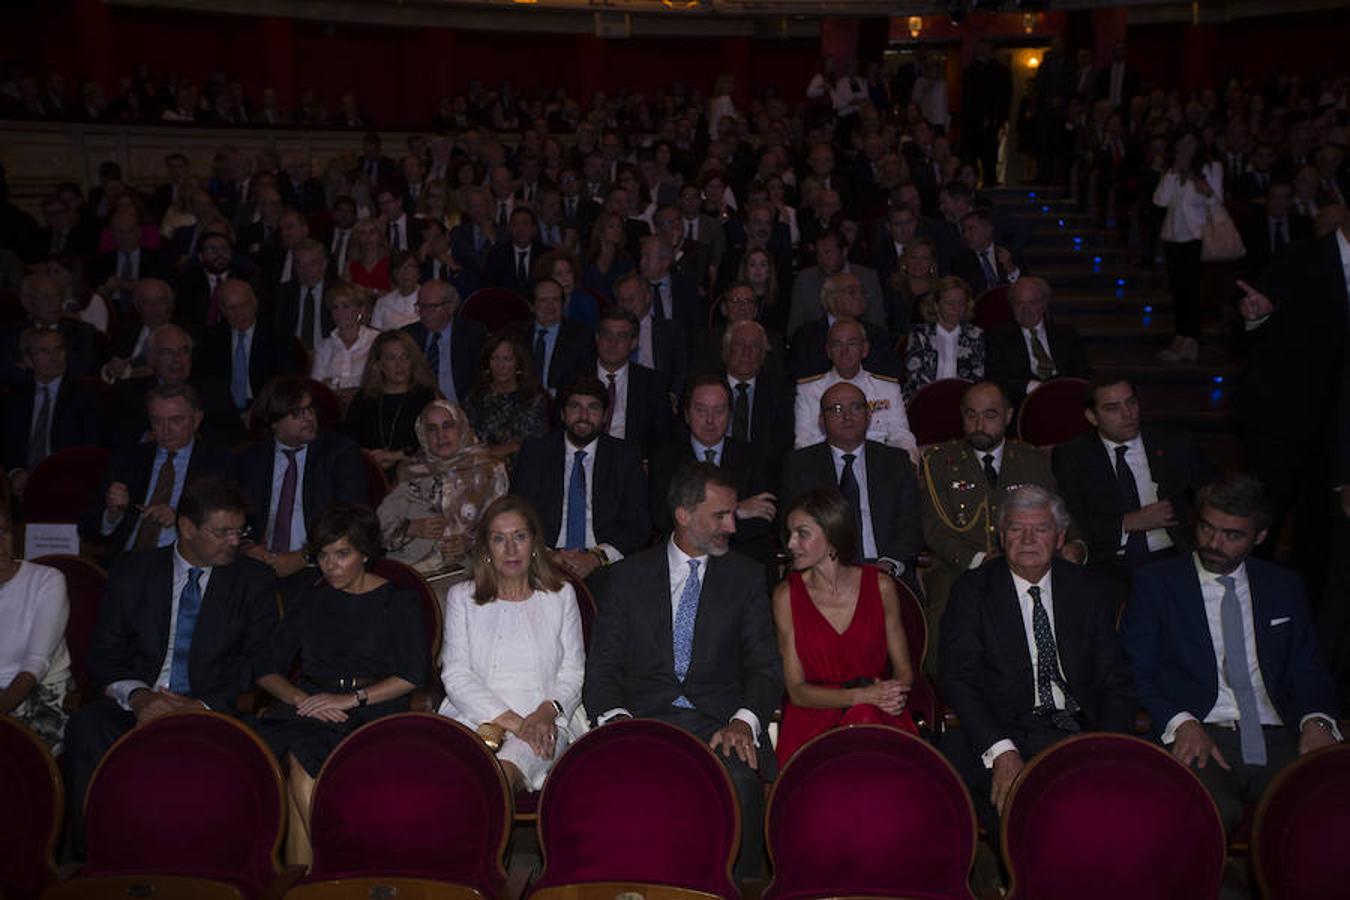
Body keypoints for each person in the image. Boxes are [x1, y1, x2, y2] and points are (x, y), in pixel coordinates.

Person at [584, 462, 782, 879]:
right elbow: (602, 669)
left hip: (719, 723)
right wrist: (619, 722)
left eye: (733, 514)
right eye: (721, 515)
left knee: (741, 784)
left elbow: (765, 667)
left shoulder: (745, 577)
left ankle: (741, 888)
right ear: (684, 514)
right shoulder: (626, 577)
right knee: (615, 787)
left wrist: (744, 722)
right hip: (643, 719)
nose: (732, 525)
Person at [63, 477, 278, 858]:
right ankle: (91, 861)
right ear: (187, 528)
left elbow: (259, 661)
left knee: (250, 739)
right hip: (139, 706)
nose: (235, 541)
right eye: (222, 531)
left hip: (212, 708)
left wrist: (202, 706)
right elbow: (103, 653)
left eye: (239, 530)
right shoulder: (134, 571)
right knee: (87, 726)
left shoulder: (253, 580)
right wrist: (140, 697)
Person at [1123, 475, 1342, 832]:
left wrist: (1317, 721)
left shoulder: (1282, 585)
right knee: (1206, 816)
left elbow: (1306, 667)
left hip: (1279, 734)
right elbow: (1135, 668)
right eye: (1207, 528)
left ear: (1260, 536)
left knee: (1326, 816)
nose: (1214, 542)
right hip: (1202, 731)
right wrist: (1181, 722)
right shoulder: (1157, 582)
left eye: (1232, 535)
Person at [939, 485, 1136, 835]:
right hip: (1008, 731)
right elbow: (958, 677)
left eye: (1041, 529)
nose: (1028, 539)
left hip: (1081, 730)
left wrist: (1108, 747)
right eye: (1017, 528)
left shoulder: (1088, 589)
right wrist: (1001, 751)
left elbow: (1114, 677)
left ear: (1060, 538)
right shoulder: (973, 590)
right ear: (1002, 537)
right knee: (1031, 824)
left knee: (1116, 817)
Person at [255, 504, 427, 865]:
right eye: (323, 555)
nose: (331, 565)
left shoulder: (398, 601)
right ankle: (323, 872)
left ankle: (317, 872)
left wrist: (352, 699)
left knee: (301, 760)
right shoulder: (310, 598)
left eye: (342, 554)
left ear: (365, 553)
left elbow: (413, 674)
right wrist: (305, 699)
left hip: (373, 705)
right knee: (294, 753)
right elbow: (266, 669)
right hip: (311, 705)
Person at [918, 382, 1081, 675]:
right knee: (943, 613)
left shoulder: (1032, 460)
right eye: (971, 415)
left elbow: (1058, 513)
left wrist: (1075, 545)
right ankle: (946, 693)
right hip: (960, 566)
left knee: (1076, 601)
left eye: (990, 415)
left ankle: (1059, 685)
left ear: (1008, 416)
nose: (979, 424)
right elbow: (933, 528)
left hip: (1031, 561)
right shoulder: (939, 462)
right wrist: (980, 560)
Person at [440, 495, 585, 794]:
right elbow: (455, 675)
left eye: (519, 536)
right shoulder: (462, 598)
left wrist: (545, 714)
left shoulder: (561, 596)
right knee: (450, 778)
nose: (510, 549)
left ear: (534, 543)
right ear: (486, 549)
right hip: (473, 715)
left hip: (545, 721)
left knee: (497, 779)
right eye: (499, 539)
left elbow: (573, 672)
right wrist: (516, 724)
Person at [773, 487, 917, 766]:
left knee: (867, 723)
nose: (790, 543)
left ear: (832, 535)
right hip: (813, 718)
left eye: (802, 533)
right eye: (789, 533)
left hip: (877, 710)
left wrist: (891, 695)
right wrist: (861, 697)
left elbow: (905, 670)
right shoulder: (786, 596)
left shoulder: (881, 586)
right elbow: (797, 691)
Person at [1053, 378, 1214, 589]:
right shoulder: (1072, 455)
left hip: (1173, 556)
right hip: (1108, 563)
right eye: (1113, 408)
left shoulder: (1174, 442)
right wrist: (1127, 522)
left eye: (1131, 403)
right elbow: (1073, 521)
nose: (1127, 414)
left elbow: (1214, 494)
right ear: (1092, 417)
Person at [782, 381, 922, 589]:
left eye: (856, 407)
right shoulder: (800, 465)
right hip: (822, 574)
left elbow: (912, 525)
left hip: (886, 571)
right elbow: (791, 527)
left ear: (868, 416)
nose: (847, 416)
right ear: (822, 420)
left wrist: (888, 564)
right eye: (837, 409)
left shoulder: (896, 462)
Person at [510, 376, 650, 583]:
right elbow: (516, 514)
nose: (584, 416)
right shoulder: (536, 452)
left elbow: (638, 525)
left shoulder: (624, 456)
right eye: (575, 406)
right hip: (545, 560)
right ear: (563, 414)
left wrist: (595, 558)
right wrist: (547, 555)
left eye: (593, 408)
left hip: (604, 562)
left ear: (604, 416)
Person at [81, 383, 237, 566]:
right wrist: (112, 514)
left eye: (176, 420)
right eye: (157, 420)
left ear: (197, 419)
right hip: (125, 563)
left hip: (185, 564)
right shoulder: (129, 459)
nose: (165, 429)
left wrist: (180, 521)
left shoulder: (218, 463)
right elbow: (88, 530)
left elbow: (229, 527)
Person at [237, 376, 367, 589]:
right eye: (298, 413)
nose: (309, 418)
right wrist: (248, 546)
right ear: (274, 422)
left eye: (310, 410)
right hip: (260, 566)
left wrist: (306, 555)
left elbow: (354, 518)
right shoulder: (253, 459)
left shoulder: (339, 453)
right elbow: (239, 514)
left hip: (320, 568)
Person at [378, 399, 508, 576]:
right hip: (413, 570)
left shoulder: (490, 471)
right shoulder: (411, 471)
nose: (441, 436)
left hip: (469, 571)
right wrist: (409, 527)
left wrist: (470, 542)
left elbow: (505, 529)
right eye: (432, 429)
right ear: (423, 435)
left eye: (448, 426)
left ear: (461, 428)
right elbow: (377, 529)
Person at [793, 318, 917, 460]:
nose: (844, 351)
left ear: (864, 349)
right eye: (837, 345)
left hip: (879, 466)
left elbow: (901, 435)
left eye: (851, 343)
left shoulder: (887, 388)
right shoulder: (808, 390)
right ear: (828, 351)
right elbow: (804, 441)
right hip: (828, 467)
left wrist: (908, 463)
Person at [0, 503, 71, 750]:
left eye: (4, 531)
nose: (0, 543)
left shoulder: (47, 580)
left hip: (34, 698)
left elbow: (35, 664)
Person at [1, 327, 101, 498]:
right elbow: (7, 445)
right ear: (28, 360)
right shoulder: (15, 398)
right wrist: (15, 472)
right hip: (22, 487)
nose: (54, 357)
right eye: (45, 351)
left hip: (67, 484)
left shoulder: (87, 396)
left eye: (58, 349)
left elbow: (92, 447)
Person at [1152, 131, 1224, 363]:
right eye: (1181, 142)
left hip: (1197, 238)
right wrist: (1173, 172)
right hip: (1173, 238)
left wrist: (1197, 181)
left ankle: (1190, 338)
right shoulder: (1171, 171)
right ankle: (1180, 335)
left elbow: (1216, 201)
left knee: (1192, 290)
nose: (1185, 147)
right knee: (1178, 290)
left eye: (1190, 142)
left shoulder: (1212, 167)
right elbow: (1160, 200)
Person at [983, 276, 1093, 406]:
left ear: (1044, 304)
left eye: (1032, 302)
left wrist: (1056, 388)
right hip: (1021, 403)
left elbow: (1082, 374)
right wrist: (1034, 387)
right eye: (1019, 303)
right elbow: (996, 379)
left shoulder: (1068, 335)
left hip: (1064, 399)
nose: (1026, 310)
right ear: (1012, 306)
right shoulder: (997, 337)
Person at [197, 279, 297, 416]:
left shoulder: (277, 337)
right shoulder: (212, 339)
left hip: (265, 409)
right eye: (232, 308)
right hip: (223, 411)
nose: (239, 313)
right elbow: (208, 383)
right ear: (222, 310)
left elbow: (284, 383)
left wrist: (257, 411)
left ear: (255, 303)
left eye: (244, 305)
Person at [343, 330, 439, 472]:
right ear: (378, 364)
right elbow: (348, 439)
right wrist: (370, 457)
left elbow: (434, 440)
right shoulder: (364, 398)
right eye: (391, 358)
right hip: (369, 469)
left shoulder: (426, 396)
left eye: (405, 357)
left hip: (413, 469)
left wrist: (396, 456)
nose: (399, 364)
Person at [464, 331, 549, 460]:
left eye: (507, 359)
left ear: (518, 363)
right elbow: (467, 443)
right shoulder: (475, 398)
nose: (500, 366)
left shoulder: (533, 399)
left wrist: (508, 448)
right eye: (494, 359)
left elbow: (533, 446)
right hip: (481, 469)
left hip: (523, 470)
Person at [402, 279, 487, 407]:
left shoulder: (472, 334)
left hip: (463, 409)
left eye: (432, 307)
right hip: (419, 410)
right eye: (420, 307)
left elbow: (482, 381)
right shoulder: (409, 335)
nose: (424, 314)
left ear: (451, 307)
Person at [902, 275, 985, 397]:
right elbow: (915, 376)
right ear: (936, 305)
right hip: (925, 399)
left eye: (961, 303)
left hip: (963, 400)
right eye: (950, 303)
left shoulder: (976, 335)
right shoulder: (920, 334)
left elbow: (977, 377)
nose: (956, 308)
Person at [514, 277, 594, 397]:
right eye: (543, 300)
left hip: (562, 404)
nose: (550, 306)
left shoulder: (582, 336)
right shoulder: (516, 333)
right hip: (521, 401)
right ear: (532, 305)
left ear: (563, 304)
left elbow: (585, 381)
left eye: (555, 300)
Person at [311, 281, 380, 397]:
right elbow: (315, 387)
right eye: (335, 307)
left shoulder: (376, 340)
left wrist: (334, 384)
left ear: (361, 310)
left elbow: (378, 383)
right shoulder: (325, 346)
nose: (339, 312)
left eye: (346, 306)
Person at [371, 250, 422, 331]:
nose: (405, 272)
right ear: (393, 273)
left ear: (419, 272)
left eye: (410, 266)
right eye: (400, 267)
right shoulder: (383, 302)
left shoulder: (428, 298)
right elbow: (374, 334)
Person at [343, 217, 391, 294]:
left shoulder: (390, 262)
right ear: (357, 238)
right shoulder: (350, 265)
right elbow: (345, 293)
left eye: (372, 232)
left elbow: (396, 293)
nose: (368, 237)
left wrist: (371, 292)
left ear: (380, 236)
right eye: (363, 233)